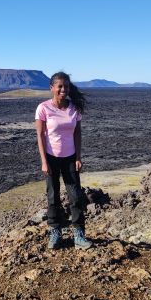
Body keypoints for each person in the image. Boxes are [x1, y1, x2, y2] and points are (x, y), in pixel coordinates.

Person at [35, 71, 92, 250]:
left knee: (75, 196)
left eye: (66, 86)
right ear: (51, 88)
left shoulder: (74, 108)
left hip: (70, 159)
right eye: (59, 86)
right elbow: (40, 136)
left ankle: (79, 234)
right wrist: (44, 161)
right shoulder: (43, 108)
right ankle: (55, 232)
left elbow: (77, 132)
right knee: (53, 197)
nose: (63, 89)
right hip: (51, 159)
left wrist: (78, 157)